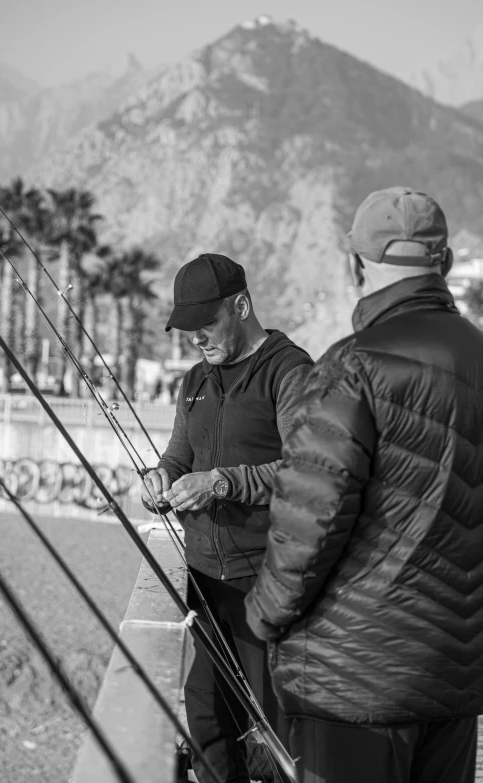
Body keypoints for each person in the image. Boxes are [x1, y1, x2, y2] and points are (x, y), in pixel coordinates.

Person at [246, 186, 483, 783]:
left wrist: (262, 619)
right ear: (447, 264)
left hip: (349, 687)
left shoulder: (350, 367)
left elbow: (308, 524)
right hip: (455, 684)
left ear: (354, 265)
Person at [140, 253, 314, 783]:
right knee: (207, 722)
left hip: (269, 585)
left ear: (241, 306)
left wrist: (221, 482)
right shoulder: (193, 379)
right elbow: (177, 455)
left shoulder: (290, 371)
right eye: (187, 326)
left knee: (281, 734)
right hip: (206, 585)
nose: (196, 337)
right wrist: (160, 477)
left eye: (206, 323)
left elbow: (308, 472)